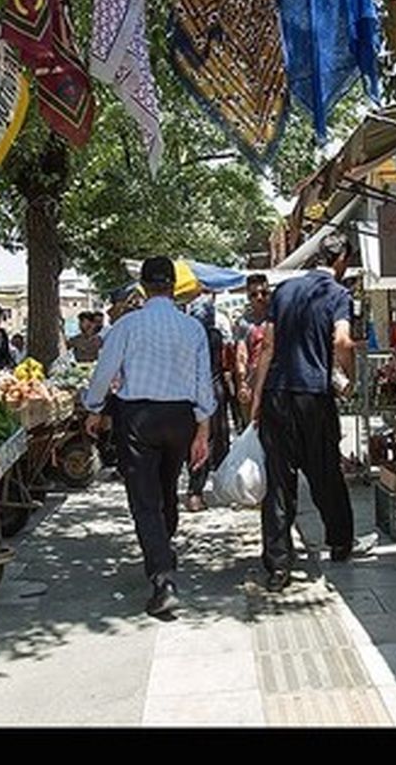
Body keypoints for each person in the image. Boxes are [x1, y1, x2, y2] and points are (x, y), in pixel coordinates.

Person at [82, 257, 215, 617]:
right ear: (173, 286)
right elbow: (203, 381)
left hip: (138, 416)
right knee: (167, 487)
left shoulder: (127, 325)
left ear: (143, 287)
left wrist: (94, 406)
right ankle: (163, 548)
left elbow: (105, 370)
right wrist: (203, 427)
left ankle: (163, 577)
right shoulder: (192, 328)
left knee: (144, 499)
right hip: (180, 417)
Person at [251, 233, 357, 592]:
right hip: (314, 396)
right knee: (325, 472)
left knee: (280, 481)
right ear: (340, 259)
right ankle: (339, 541)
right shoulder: (337, 294)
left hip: (278, 394)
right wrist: (351, 378)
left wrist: (257, 398)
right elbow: (342, 341)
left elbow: (268, 346)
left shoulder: (284, 290)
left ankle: (279, 566)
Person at [184, 298, 230, 513]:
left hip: (190, 393)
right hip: (211, 392)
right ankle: (196, 491)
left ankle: (195, 489)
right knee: (207, 441)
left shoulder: (187, 335)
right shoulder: (214, 336)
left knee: (193, 441)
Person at [234, 274, 272, 428]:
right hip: (253, 382)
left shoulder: (278, 317)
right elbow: (241, 354)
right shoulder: (244, 322)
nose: (259, 298)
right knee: (252, 428)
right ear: (248, 297)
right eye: (254, 294)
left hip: (276, 382)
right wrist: (243, 384)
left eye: (264, 293)